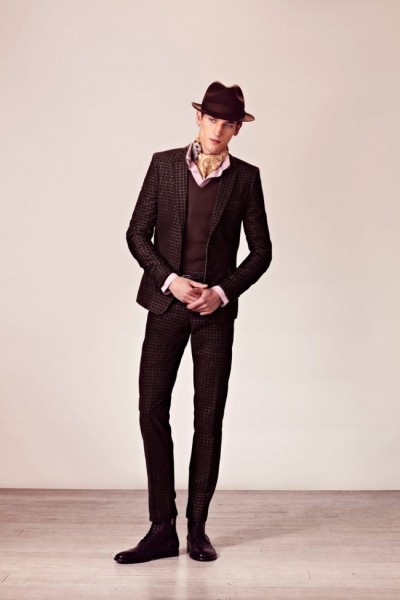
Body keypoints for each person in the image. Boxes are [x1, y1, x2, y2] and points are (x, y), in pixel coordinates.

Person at [114, 81, 272, 564]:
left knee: (208, 417)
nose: (218, 130)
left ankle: (197, 527)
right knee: (150, 409)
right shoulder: (163, 165)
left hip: (214, 317)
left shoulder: (245, 178)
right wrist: (170, 280)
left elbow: (261, 252)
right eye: (213, 120)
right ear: (199, 119)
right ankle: (161, 528)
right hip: (166, 308)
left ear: (237, 129)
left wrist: (221, 293)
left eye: (229, 124)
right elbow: (136, 233)